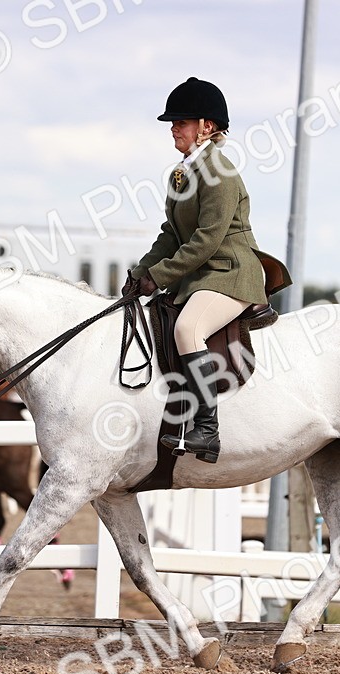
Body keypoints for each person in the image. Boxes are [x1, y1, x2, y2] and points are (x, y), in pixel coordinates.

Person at [125, 77, 291, 464]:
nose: (173, 128)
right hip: (202, 275)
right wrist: (141, 271)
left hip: (230, 272)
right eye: (173, 122)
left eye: (181, 121)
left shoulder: (220, 172)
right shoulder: (182, 173)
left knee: (187, 328)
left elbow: (206, 240)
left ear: (207, 127)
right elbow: (172, 233)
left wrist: (160, 276)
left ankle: (207, 429)